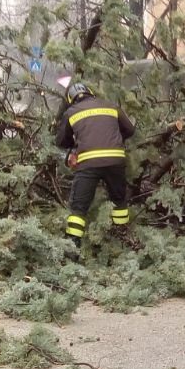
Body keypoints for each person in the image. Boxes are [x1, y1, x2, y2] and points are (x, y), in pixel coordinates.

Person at [53, 81, 135, 251]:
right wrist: (112, 138)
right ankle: (123, 240)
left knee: (78, 208)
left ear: (71, 100)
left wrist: (76, 143)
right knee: (119, 201)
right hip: (115, 160)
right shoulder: (111, 106)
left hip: (88, 163)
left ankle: (72, 248)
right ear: (91, 93)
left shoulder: (71, 112)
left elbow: (61, 141)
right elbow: (130, 129)